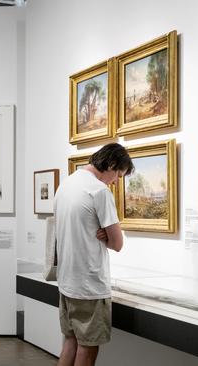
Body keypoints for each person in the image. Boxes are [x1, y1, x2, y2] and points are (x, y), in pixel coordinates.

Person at [54, 143, 134, 366]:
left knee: (70, 343)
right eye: (118, 174)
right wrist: (107, 236)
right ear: (110, 164)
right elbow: (118, 243)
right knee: (87, 350)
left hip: (67, 282)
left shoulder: (66, 185)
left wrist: (102, 233)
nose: (116, 181)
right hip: (89, 286)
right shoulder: (99, 191)